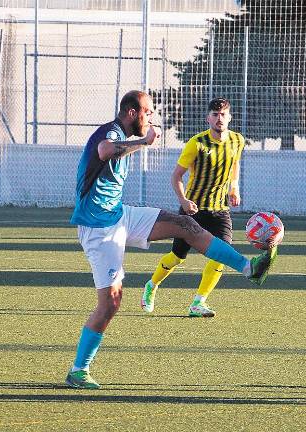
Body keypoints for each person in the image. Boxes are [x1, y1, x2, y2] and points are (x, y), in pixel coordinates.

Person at [65, 90, 278, 389]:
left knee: (184, 224)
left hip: (117, 215)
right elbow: (103, 150)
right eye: (147, 112)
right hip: (98, 229)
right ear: (131, 113)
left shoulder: (123, 134)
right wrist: (142, 142)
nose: (151, 116)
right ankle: (78, 370)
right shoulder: (111, 132)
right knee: (111, 303)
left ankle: (249, 268)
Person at [142, 97, 249, 318]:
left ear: (230, 117)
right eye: (215, 114)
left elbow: (235, 164)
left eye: (223, 115)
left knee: (222, 255)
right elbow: (176, 176)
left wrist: (234, 188)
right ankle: (152, 285)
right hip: (193, 211)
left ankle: (198, 302)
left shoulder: (238, 141)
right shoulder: (196, 144)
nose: (219, 118)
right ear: (208, 117)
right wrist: (183, 201)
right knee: (177, 256)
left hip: (220, 210)